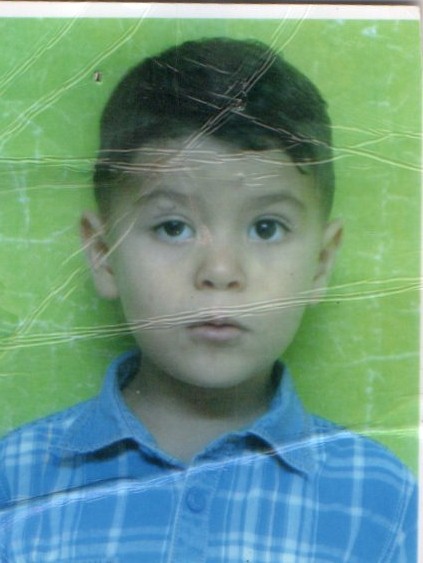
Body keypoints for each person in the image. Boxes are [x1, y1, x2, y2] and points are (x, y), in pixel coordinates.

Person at [0, 37, 416, 561]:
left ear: (320, 263)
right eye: (173, 227)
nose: (220, 272)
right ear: (104, 256)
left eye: (266, 227)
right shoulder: (15, 480)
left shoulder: (382, 500)